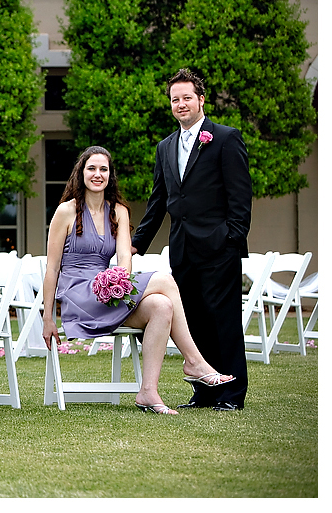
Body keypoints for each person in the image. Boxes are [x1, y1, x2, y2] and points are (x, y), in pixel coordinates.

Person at [41, 146, 234, 415]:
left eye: (104, 169)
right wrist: (47, 317)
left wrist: (118, 282)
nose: (98, 174)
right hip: (78, 293)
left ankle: (147, 392)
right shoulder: (66, 211)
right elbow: (52, 269)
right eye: (92, 168)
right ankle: (194, 361)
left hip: (107, 289)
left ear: (111, 175)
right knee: (165, 281)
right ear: (80, 173)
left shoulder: (118, 211)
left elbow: (124, 260)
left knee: (161, 306)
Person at [132, 68, 253, 411]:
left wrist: (231, 238)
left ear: (201, 100)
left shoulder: (226, 138)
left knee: (223, 322)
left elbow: (240, 198)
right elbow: (159, 202)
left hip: (219, 248)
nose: (181, 104)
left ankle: (231, 395)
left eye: (187, 97)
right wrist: (137, 243)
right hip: (183, 250)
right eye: (175, 99)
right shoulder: (165, 147)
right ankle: (204, 393)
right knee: (194, 323)